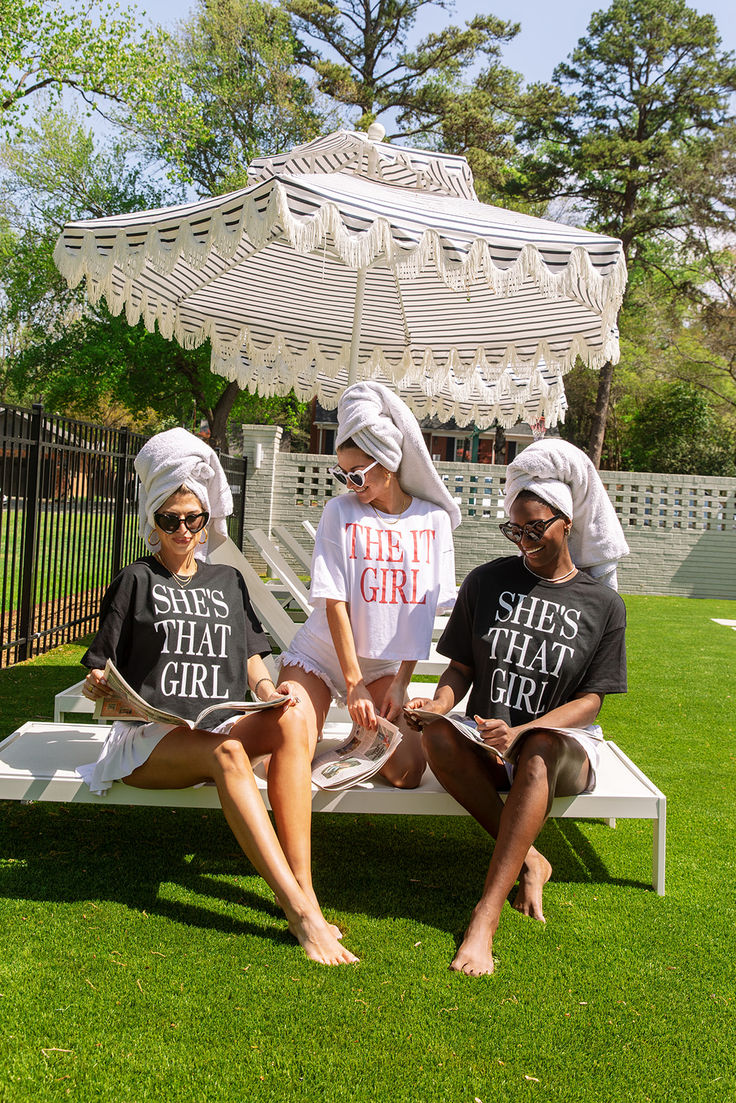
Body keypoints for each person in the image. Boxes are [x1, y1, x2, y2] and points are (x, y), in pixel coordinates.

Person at [78, 428, 357, 967]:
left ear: (206, 520)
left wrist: (268, 691)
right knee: (226, 754)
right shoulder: (136, 579)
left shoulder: (227, 579)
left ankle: (306, 888)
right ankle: (299, 914)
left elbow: (252, 653)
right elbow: (100, 666)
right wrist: (99, 687)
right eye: (170, 519)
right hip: (150, 741)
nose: (183, 530)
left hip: (217, 724)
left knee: (293, 718)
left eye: (194, 518)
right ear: (152, 522)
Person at [406, 437, 630, 976]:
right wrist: (438, 705)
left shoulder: (603, 604)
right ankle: (530, 858)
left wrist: (524, 729)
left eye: (537, 528)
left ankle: (485, 916)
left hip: (561, 748)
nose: (526, 540)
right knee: (436, 735)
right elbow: (461, 667)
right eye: (516, 530)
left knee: (538, 747)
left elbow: (592, 700)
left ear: (568, 522)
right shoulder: (488, 581)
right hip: (489, 739)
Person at [280, 381, 461, 788]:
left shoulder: (433, 522)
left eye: (358, 475)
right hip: (322, 655)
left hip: (383, 666)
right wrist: (353, 684)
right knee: (291, 748)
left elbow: (423, 611)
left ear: (388, 463)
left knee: (409, 772)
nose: (349, 484)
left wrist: (399, 681)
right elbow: (334, 602)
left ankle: (354, 742)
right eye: (342, 474)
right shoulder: (338, 512)